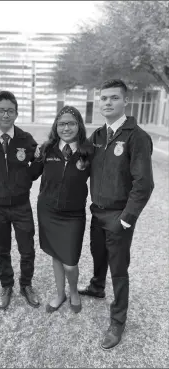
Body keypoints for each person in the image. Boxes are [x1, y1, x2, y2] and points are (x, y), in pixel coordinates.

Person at [78, 79, 154, 350]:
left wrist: (127, 217)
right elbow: (79, 159)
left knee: (118, 270)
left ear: (125, 102)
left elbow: (143, 184)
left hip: (118, 215)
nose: (107, 103)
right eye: (104, 98)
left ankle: (118, 320)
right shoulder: (97, 136)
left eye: (114, 98)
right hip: (97, 212)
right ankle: (97, 286)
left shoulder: (137, 137)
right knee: (98, 253)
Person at [0, 91, 40, 310]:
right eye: (1, 110)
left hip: (21, 205)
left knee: (27, 249)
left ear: (16, 113)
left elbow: (38, 163)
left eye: (10, 110)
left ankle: (26, 285)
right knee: (2, 250)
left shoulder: (25, 139)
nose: (6, 115)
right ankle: (6, 285)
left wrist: (26, 179)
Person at [30, 106, 93, 313]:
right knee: (56, 255)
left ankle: (73, 291)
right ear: (56, 126)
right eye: (62, 124)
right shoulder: (47, 148)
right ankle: (60, 294)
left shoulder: (89, 151)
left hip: (74, 215)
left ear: (79, 126)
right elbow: (31, 174)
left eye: (71, 123)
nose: (66, 128)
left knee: (70, 263)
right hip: (48, 211)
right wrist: (29, 154)